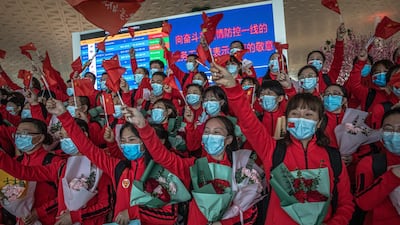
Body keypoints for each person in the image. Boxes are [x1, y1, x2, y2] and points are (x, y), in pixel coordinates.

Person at [210, 62, 354, 225]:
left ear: (319, 122)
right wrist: (232, 88)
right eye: (295, 114)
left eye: (308, 114)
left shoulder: (333, 157)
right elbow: (249, 122)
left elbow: (346, 204)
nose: (301, 119)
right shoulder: (274, 150)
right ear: (287, 119)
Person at [45, 98, 180, 225]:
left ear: (145, 141)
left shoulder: (162, 171)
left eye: (132, 140)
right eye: (123, 141)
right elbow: (88, 148)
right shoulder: (119, 168)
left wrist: (133, 212)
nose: (127, 145)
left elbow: (170, 216)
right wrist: (63, 115)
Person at [122, 108, 259, 225]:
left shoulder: (242, 168)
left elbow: (250, 212)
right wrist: (143, 126)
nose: (210, 136)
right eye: (206, 132)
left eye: (216, 132)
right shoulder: (194, 166)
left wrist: (223, 223)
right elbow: (163, 156)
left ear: (228, 139)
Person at [0, 119, 113, 225]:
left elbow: (106, 205)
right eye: (62, 137)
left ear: (84, 135)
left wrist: (75, 216)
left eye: (68, 136)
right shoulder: (61, 166)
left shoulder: (99, 165)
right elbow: (26, 173)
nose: (64, 141)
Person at [9, 118, 62, 225]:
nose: (19, 136)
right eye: (17, 133)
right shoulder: (16, 162)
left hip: (48, 220)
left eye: (24, 133)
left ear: (40, 138)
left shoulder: (54, 162)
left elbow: (65, 196)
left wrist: (38, 212)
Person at [355, 108, 400, 225]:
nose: (395, 134)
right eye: (389, 129)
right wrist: (393, 176)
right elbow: (363, 203)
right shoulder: (370, 163)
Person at [306, 23, 346, 93]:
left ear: (323, 64)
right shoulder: (302, 82)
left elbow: (338, 60)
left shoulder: (328, 78)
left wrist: (339, 39)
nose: (315, 61)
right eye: (312, 59)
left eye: (318, 59)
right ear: (307, 63)